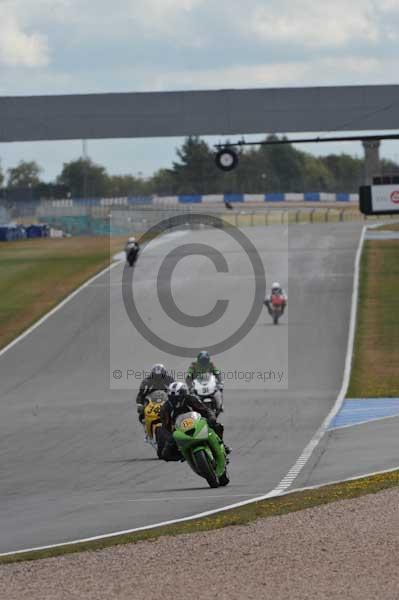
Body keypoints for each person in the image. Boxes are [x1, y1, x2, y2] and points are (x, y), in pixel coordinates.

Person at [159, 382, 229, 462]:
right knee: (165, 454)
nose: (175, 400)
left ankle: (222, 445)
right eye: (172, 397)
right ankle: (184, 455)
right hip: (179, 430)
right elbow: (165, 424)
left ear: (184, 394)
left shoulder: (191, 399)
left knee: (217, 426)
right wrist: (169, 437)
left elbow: (205, 410)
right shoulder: (166, 407)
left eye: (177, 397)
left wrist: (211, 418)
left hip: (197, 423)